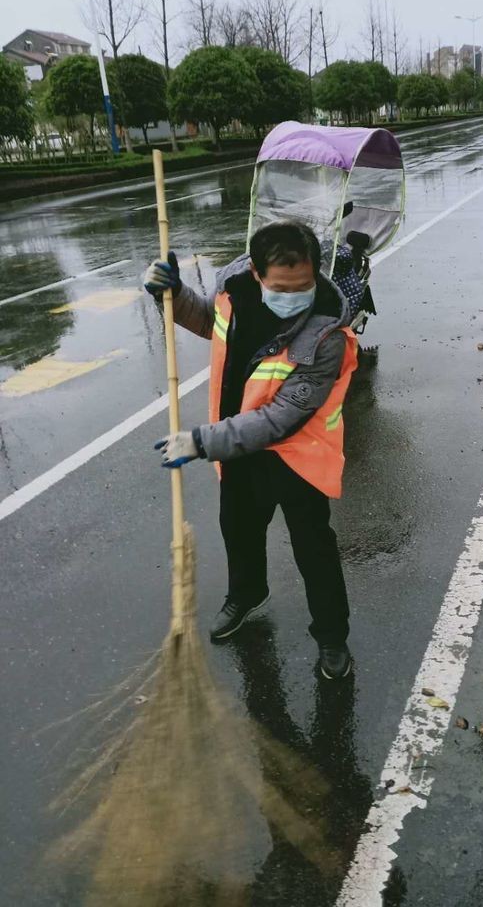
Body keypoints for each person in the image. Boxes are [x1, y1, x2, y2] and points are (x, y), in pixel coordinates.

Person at [143, 221, 358, 679]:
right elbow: (207, 322)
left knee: (314, 551)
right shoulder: (235, 295)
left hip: (297, 458)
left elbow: (279, 418)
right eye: (281, 288)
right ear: (257, 275)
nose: (293, 296)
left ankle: (332, 637)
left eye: (303, 286)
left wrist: (201, 441)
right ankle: (246, 594)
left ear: (316, 273)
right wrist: (173, 293)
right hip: (239, 453)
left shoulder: (327, 337)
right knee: (238, 531)